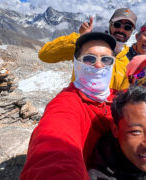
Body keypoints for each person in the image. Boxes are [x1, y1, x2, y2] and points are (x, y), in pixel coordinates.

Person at [20, 32, 118, 179]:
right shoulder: (66, 103)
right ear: (76, 63)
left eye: (106, 60)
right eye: (89, 59)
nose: (98, 64)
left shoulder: (119, 98)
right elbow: (53, 148)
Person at [39, 8, 146, 91]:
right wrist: (79, 38)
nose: (121, 29)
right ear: (110, 25)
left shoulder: (134, 58)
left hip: (112, 116)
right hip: (82, 107)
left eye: (127, 27)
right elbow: (45, 55)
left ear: (132, 32)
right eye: (117, 24)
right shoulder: (89, 45)